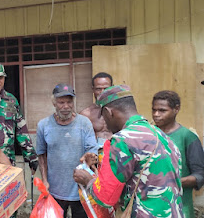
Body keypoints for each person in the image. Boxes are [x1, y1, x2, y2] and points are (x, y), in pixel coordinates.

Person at [73, 85, 184, 217]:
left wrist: (87, 180)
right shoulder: (163, 136)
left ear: (109, 112)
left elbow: (106, 197)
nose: (105, 124)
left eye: (103, 117)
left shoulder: (121, 140)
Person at [36, 83, 98, 218]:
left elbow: (92, 150)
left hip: (81, 190)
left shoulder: (84, 123)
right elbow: (42, 155)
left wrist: (90, 156)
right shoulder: (44, 125)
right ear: (54, 103)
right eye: (61, 102)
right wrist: (45, 180)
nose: (66, 106)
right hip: (55, 190)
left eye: (69, 102)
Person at [0, 61, 38, 174]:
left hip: (7, 162)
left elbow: (21, 130)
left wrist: (31, 156)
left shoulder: (11, 100)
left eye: (0, 78)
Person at [152, 90, 204, 218]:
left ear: (176, 109)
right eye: (154, 110)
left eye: (162, 110)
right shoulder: (149, 135)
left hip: (180, 208)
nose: (156, 114)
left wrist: (170, 182)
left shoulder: (188, 137)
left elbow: (199, 175)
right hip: (151, 209)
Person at [80, 72, 113, 145]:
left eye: (106, 88)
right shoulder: (86, 114)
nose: (102, 92)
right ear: (93, 89)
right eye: (98, 89)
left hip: (117, 152)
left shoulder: (120, 111)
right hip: (95, 153)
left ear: (112, 87)